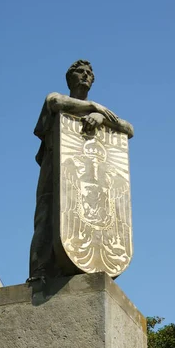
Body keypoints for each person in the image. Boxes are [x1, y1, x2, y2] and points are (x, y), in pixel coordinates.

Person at [29, 60, 133, 279]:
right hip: (54, 174)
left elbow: (128, 129)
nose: (86, 76)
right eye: (80, 72)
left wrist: (102, 118)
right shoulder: (56, 98)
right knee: (46, 220)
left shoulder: (101, 115)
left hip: (89, 180)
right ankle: (39, 272)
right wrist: (94, 107)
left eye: (89, 73)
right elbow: (55, 102)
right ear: (70, 78)